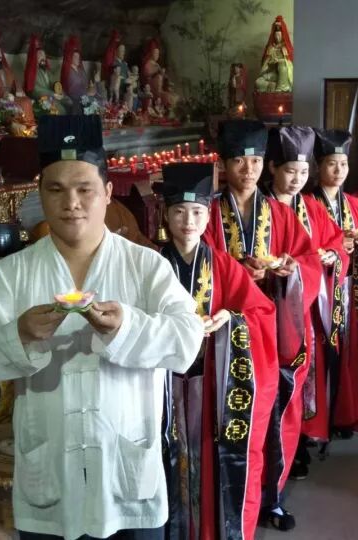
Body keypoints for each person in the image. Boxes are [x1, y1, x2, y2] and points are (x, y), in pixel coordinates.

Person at [0, 115, 204, 540]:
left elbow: (187, 341)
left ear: (107, 192)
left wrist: (126, 327)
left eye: (84, 189)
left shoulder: (146, 266)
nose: (70, 202)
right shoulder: (13, 273)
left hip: (126, 475)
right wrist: (20, 334)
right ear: (40, 193)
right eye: (55, 189)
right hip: (50, 476)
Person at [203, 119, 320, 531]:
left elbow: (307, 260)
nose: (249, 169)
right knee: (231, 423)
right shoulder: (207, 214)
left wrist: (290, 269)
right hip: (227, 336)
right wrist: (238, 271)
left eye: (255, 160)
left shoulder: (280, 214)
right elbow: (200, 268)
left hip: (275, 335)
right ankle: (226, 503)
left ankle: (272, 498)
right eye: (239, 160)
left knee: (274, 417)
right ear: (223, 164)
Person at [155, 162, 277, 540]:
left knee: (210, 469)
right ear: (165, 215)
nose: (188, 221)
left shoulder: (225, 266)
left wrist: (232, 319)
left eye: (196, 212)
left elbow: (262, 312)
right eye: (178, 211)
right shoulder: (150, 265)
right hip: (161, 390)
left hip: (212, 391)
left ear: (208, 217)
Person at [264, 126, 349, 481]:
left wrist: (330, 256)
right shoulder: (259, 211)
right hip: (270, 312)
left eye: (303, 172)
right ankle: (276, 448)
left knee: (302, 379)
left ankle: (298, 439)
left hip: (307, 311)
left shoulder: (312, 207)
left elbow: (337, 242)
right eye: (289, 171)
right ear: (272, 168)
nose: (297, 180)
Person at [310, 128, 358, 438]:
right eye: (331, 164)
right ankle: (319, 420)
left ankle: (343, 414)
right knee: (321, 356)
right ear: (318, 167)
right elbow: (308, 246)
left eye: (343, 164)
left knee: (349, 354)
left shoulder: (354, 205)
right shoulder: (307, 204)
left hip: (350, 291)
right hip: (321, 294)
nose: (339, 171)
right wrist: (337, 246)